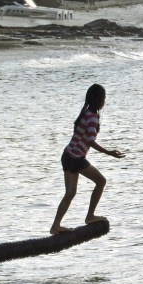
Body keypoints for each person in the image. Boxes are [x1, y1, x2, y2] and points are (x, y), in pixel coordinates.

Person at [50, 84, 125, 233]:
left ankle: (55, 226)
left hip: (67, 155)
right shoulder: (91, 116)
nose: (104, 101)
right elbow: (90, 140)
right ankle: (90, 216)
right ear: (98, 99)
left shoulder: (86, 112)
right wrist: (109, 152)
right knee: (101, 181)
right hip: (75, 158)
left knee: (70, 193)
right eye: (103, 98)